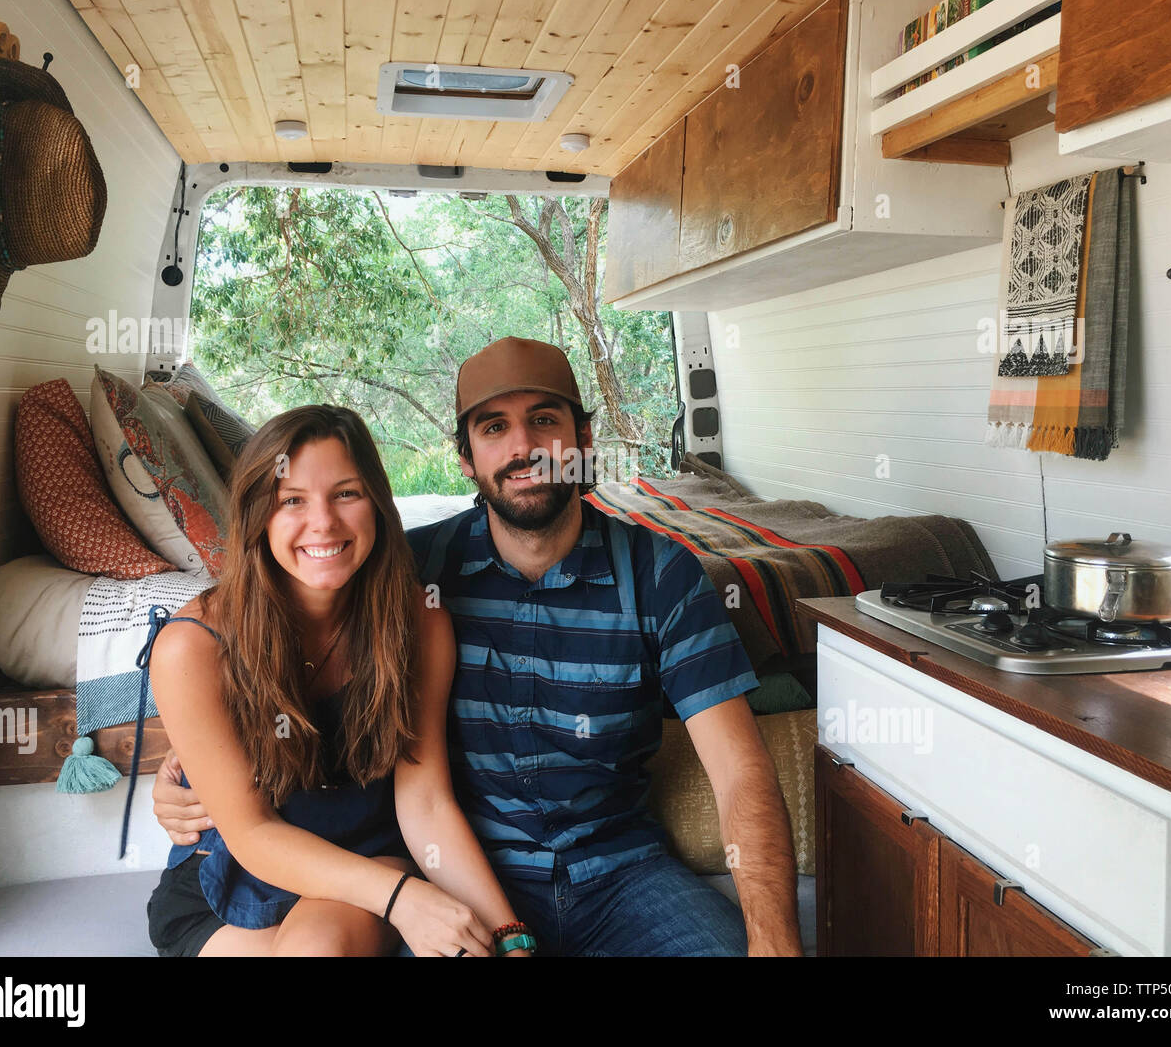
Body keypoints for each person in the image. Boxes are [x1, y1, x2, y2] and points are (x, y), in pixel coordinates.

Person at [155, 338, 802, 956]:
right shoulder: (421, 567)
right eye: (494, 427)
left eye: (544, 420)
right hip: (447, 873)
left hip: (619, 874)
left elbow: (741, 773)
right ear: (465, 456)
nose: (523, 446)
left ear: (584, 439)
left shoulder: (657, 576)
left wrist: (775, 941)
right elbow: (244, 663)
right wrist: (182, 765)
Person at [144, 404, 532, 956]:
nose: (322, 523)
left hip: (368, 859)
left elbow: (426, 803)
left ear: (377, 502)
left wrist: (509, 935)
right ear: (258, 515)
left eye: (346, 494)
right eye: (291, 501)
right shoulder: (192, 647)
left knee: (318, 950)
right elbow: (252, 833)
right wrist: (406, 901)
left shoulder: (420, 622)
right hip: (234, 870)